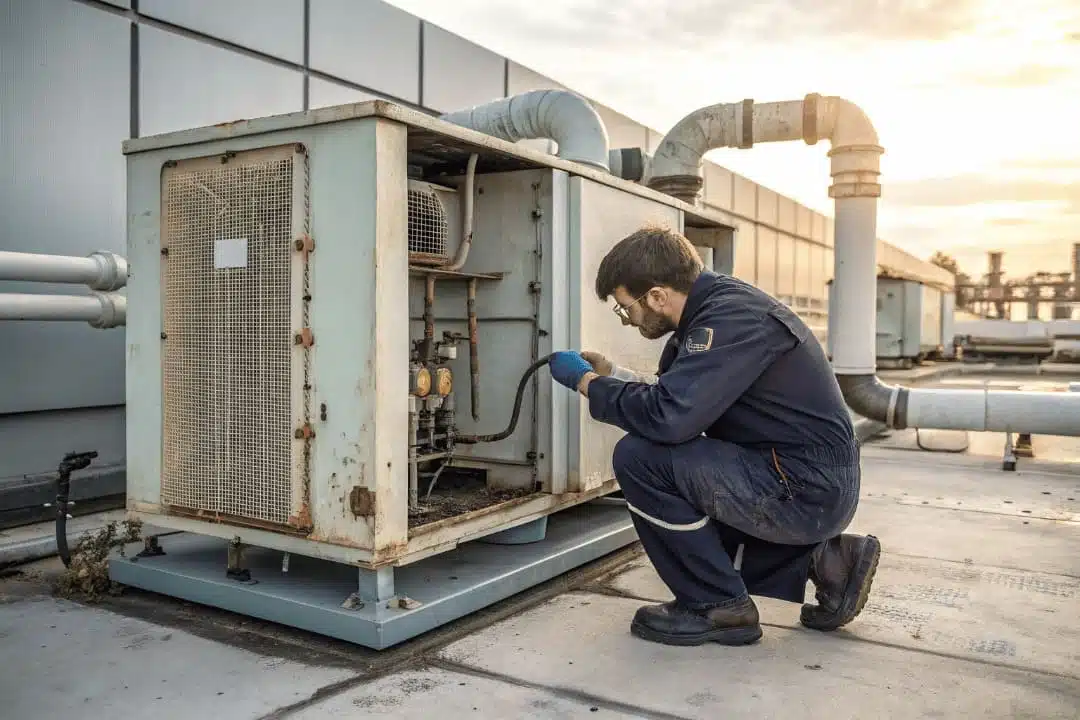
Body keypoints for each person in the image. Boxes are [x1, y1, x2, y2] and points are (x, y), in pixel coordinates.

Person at [547, 225, 880, 647]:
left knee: (641, 458)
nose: (627, 319)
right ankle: (829, 563)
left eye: (624, 308)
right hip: (799, 479)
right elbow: (682, 398)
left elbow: (669, 418)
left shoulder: (731, 321)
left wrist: (588, 383)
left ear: (656, 296)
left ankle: (718, 606)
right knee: (690, 530)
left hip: (801, 488)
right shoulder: (716, 312)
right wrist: (612, 375)